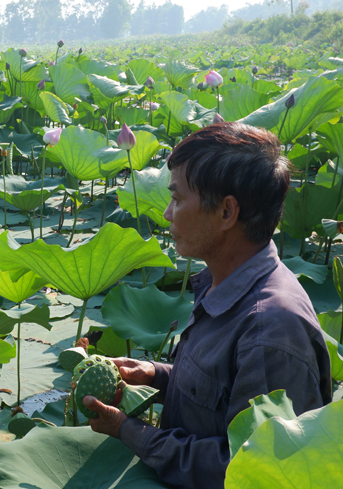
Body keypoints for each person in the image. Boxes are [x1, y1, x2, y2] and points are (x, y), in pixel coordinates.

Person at [82, 122, 332, 489]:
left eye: (178, 199)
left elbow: (246, 470)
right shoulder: (228, 282)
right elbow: (219, 396)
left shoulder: (271, 331)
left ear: (227, 213)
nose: (167, 213)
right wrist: (155, 375)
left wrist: (128, 430)